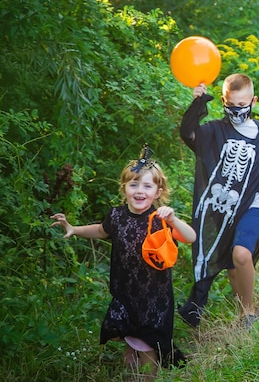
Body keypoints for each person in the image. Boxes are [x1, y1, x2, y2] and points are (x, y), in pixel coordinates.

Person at [50, 144, 196, 377]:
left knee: (148, 344)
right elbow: (100, 230)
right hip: (125, 292)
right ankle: (131, 357)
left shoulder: (160, 219)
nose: (140, 191)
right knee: (123, 330)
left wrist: (174, 220)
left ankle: (148, 377)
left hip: (154, 296)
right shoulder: (116, 216)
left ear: (157, 192)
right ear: (124, 188)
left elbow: (190, 237)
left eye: (147, 186)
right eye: (134, 184)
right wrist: (74, 229)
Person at [178, 73, 259, 328]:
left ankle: (249, 313)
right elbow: (188, 133)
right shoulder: (215, 131)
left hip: (254, 204)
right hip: (224, 205)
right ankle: (242, 311)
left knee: (241, 255)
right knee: (231, 263)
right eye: (231, 105)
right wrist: (197, 104)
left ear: (253, 101)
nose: (236, 110)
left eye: (242, 105)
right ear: (223, 101)